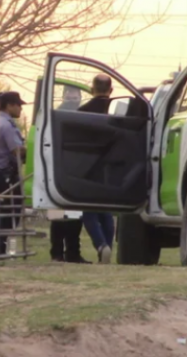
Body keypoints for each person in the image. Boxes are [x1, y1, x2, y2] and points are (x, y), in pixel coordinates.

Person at [49, 85, 91, 264]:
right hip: (61, 168)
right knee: (60, 214)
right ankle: (61, 252)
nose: (73, 97)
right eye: (70, 94)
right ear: (64, 95)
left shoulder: (84, 114)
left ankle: (68, 252)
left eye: (76, 94)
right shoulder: (58, 113)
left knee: (73, 215)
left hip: (74, 169)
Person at [78, 74, 115, 264]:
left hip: (88, 168)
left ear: (92, 89)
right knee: (106, 211)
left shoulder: (81, 112)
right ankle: (107, 247)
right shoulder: (116, 111)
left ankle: (101, 246)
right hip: (109, 168)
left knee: (89, 212)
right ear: (111, 90)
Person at [0, 91, 26, 255]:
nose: (21, 109)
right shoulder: (7, 125)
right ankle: (1, 246)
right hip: (5, 174)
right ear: (9, 106)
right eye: (18, 105)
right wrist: (30, 151)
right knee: (11, 210)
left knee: (3, 210)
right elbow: (16, 150)